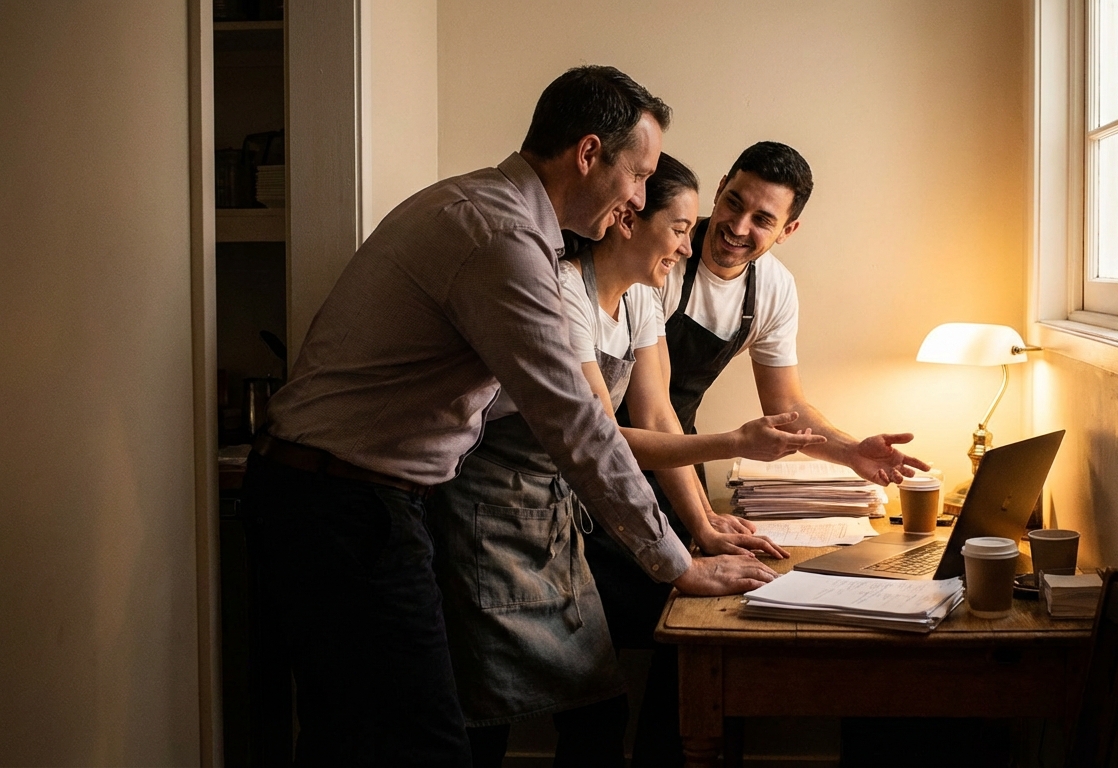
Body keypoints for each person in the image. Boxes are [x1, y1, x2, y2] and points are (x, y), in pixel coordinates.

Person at [239, 66, 776, 767]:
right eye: (639, 176)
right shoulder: (501, 241)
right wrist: (677, 565)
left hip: (336, 496)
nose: (640, 199)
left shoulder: (484, 209)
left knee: (352, 735)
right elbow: (578, 427)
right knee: (422, 743)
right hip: (343, 506)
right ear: (588, 155)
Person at [426, 153, 820, 767]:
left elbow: (658, 417)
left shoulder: (640, 298)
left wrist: (703, 528)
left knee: (595, 711)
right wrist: (733, 449)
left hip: (559, 510)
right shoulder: (562, 292)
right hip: (495, 510)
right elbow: (598, 437)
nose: (692, 248)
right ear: (629, 221)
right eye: (681, 228)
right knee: (489, 709)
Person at [585, 141, 931, 766]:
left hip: (673, 458)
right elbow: (639, 413)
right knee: (679, 615)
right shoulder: (657, 263)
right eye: (733, 203)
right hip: (618, 460)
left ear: (789, 229)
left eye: (763, 219)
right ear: (720, 189)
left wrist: (851, 452)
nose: (736, 229)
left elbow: (786, 406)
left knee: (706, 609)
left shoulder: (772, 289)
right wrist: (698, 521)